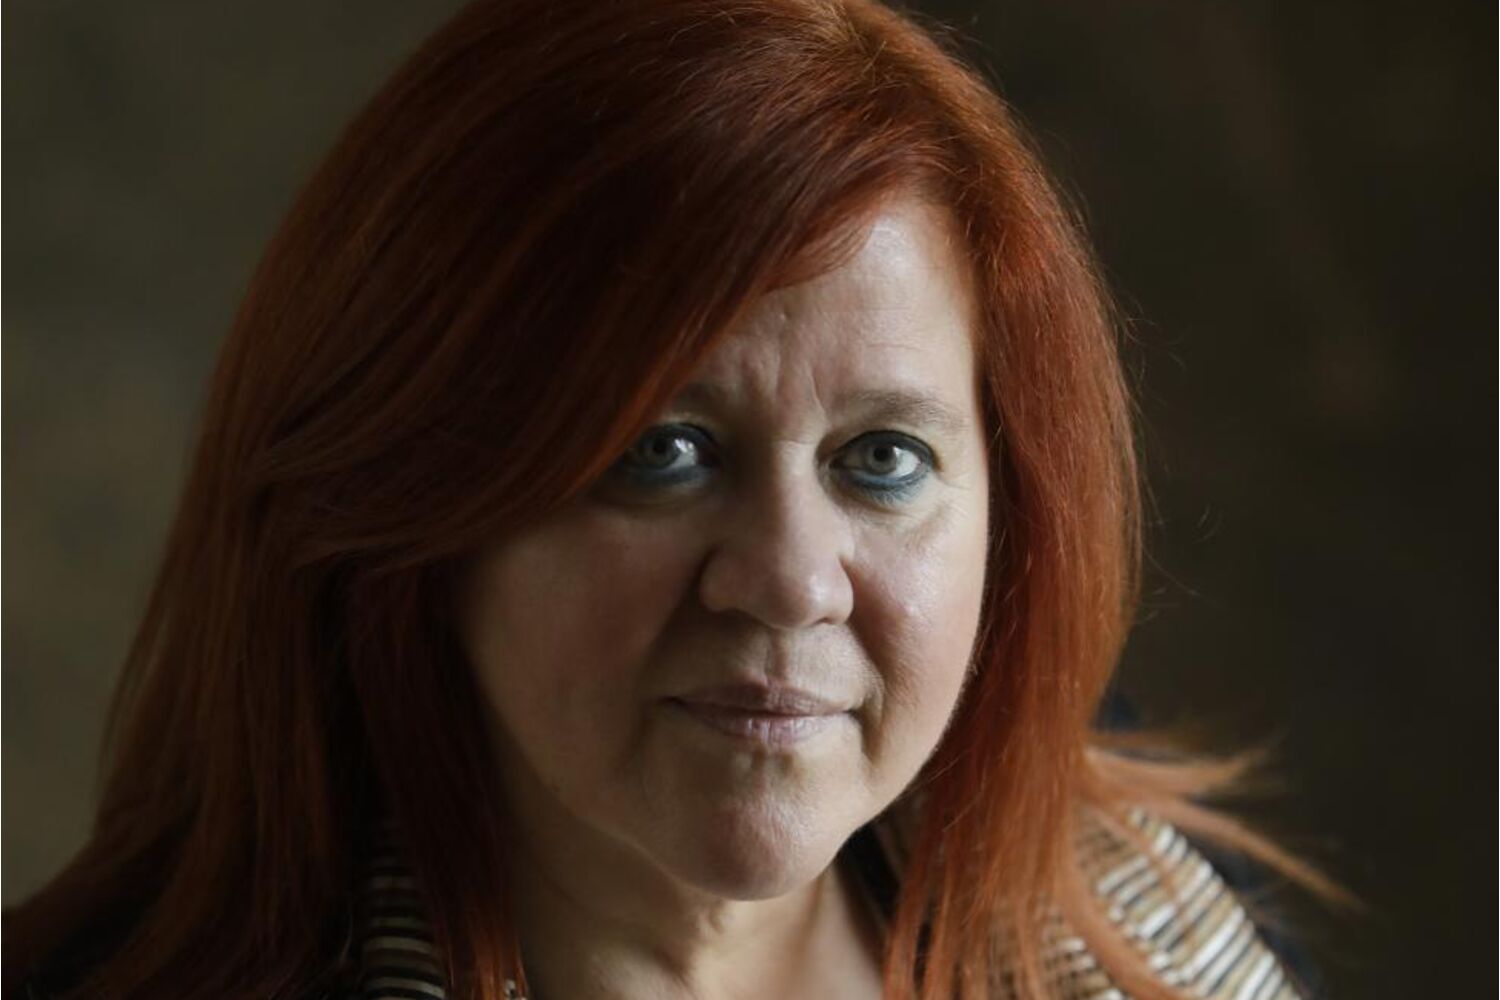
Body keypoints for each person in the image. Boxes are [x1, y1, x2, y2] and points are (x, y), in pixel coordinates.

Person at [1, 1, 1344, 998]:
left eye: (882, 459)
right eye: (662, 451)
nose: (790, 580)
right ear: (414, 506)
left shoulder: (1163, 920)